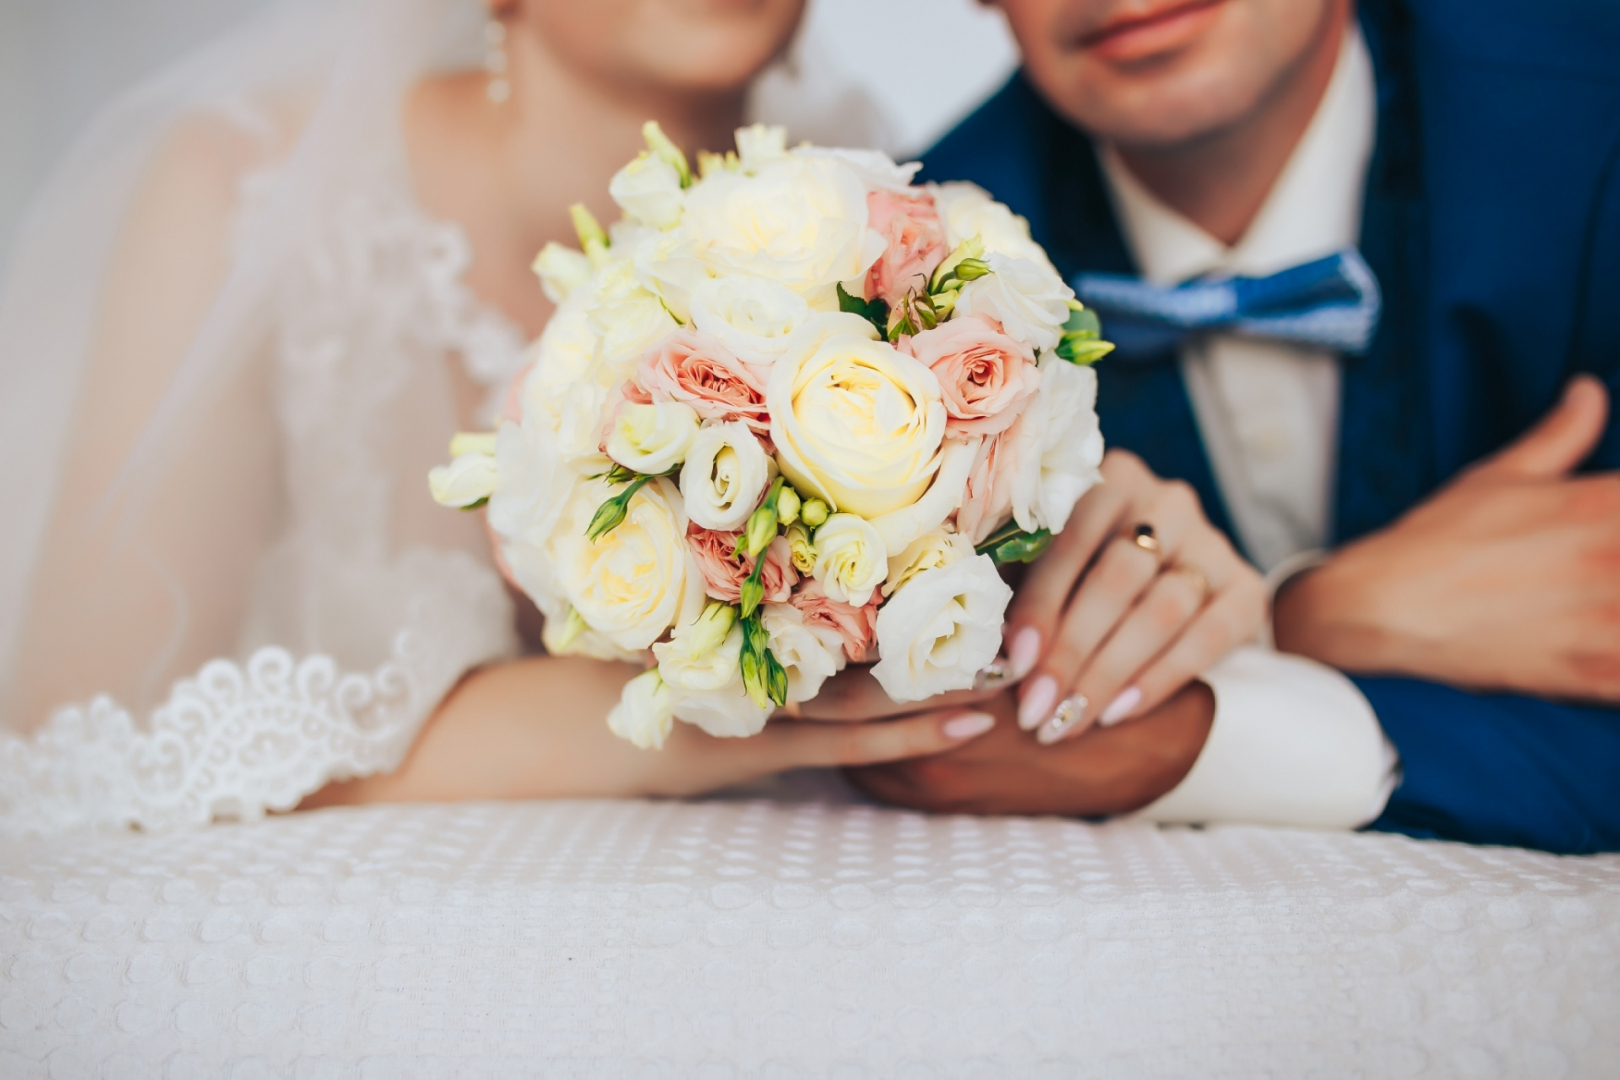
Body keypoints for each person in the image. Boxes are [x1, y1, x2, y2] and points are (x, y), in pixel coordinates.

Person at [0, 0, 1286, 833]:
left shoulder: (907, 226)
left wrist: (1093, 551)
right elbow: (68, 756)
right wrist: (653, 724)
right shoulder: (258, 195)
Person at [852, 0, 1620, 855]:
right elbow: (937, 741)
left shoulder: (1590, 121)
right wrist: (1314, 620)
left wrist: (1218, 714)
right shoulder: (904, 277)